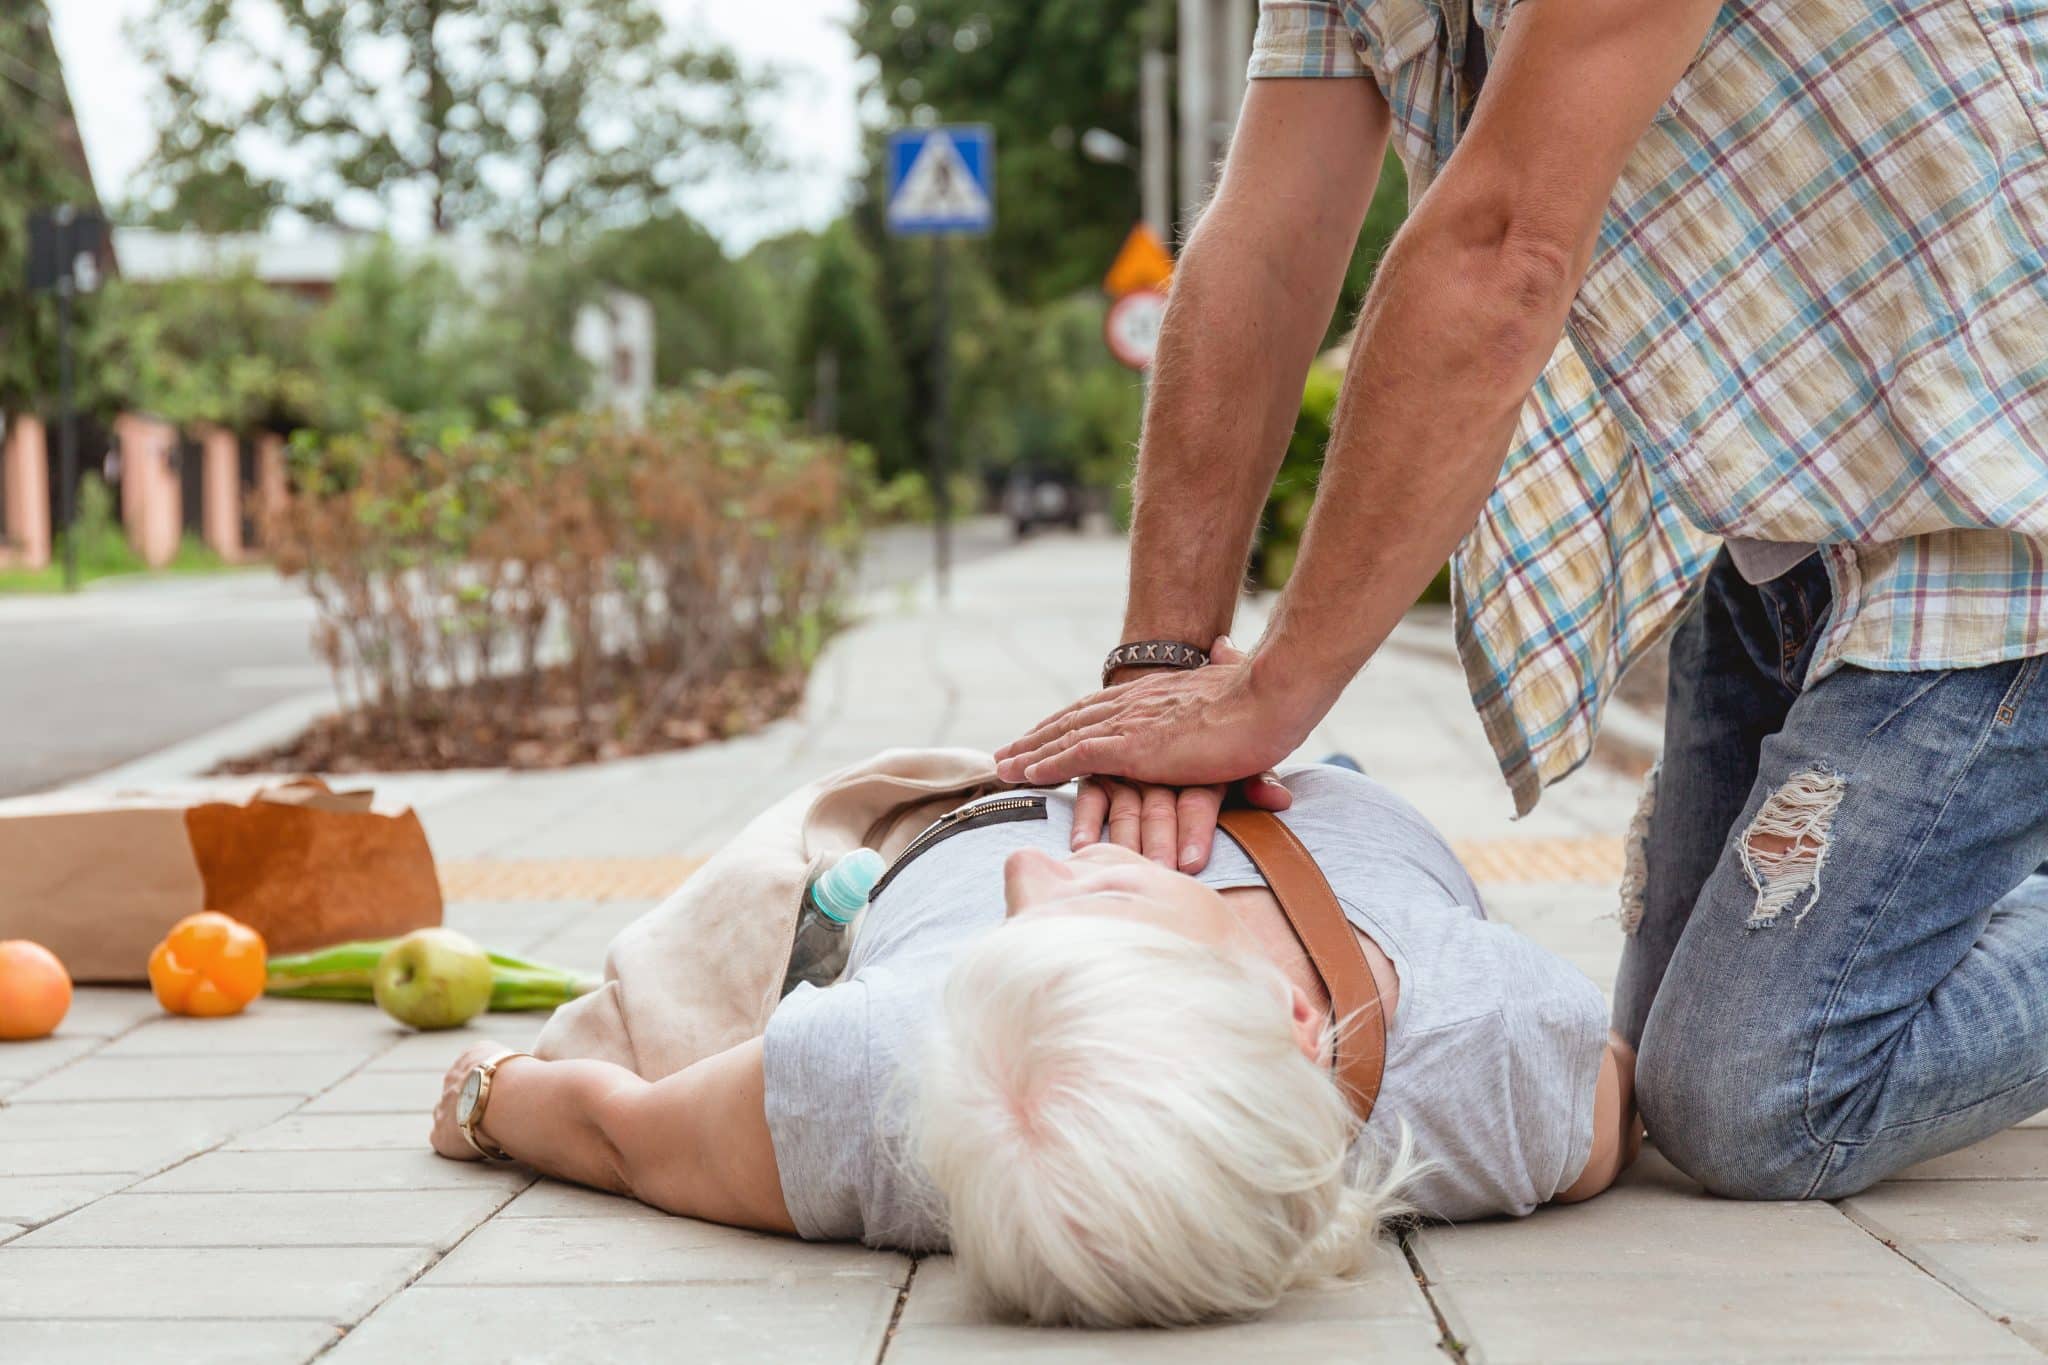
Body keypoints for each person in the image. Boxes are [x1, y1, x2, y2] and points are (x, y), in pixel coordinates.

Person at [995, 0, 2048, 1201]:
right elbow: (1265, 247)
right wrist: (1161, 674)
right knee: (1647, 1063)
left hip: (2008, 526)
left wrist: (1275, 693)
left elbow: (1504, 249)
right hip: (1798, 543)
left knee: (1756, 1099)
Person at [430, 760, 1640, 1327]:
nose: (1029, 871)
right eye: (1091, 906)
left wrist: (488, 1096)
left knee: (805, 878)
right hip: (1309, 772)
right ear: (1294, 1020)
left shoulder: (877, 1084)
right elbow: (1617, 1101)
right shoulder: (1502, 1059)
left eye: (997, 954)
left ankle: (852, 898)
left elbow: (625, 1137)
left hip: (968, 797)